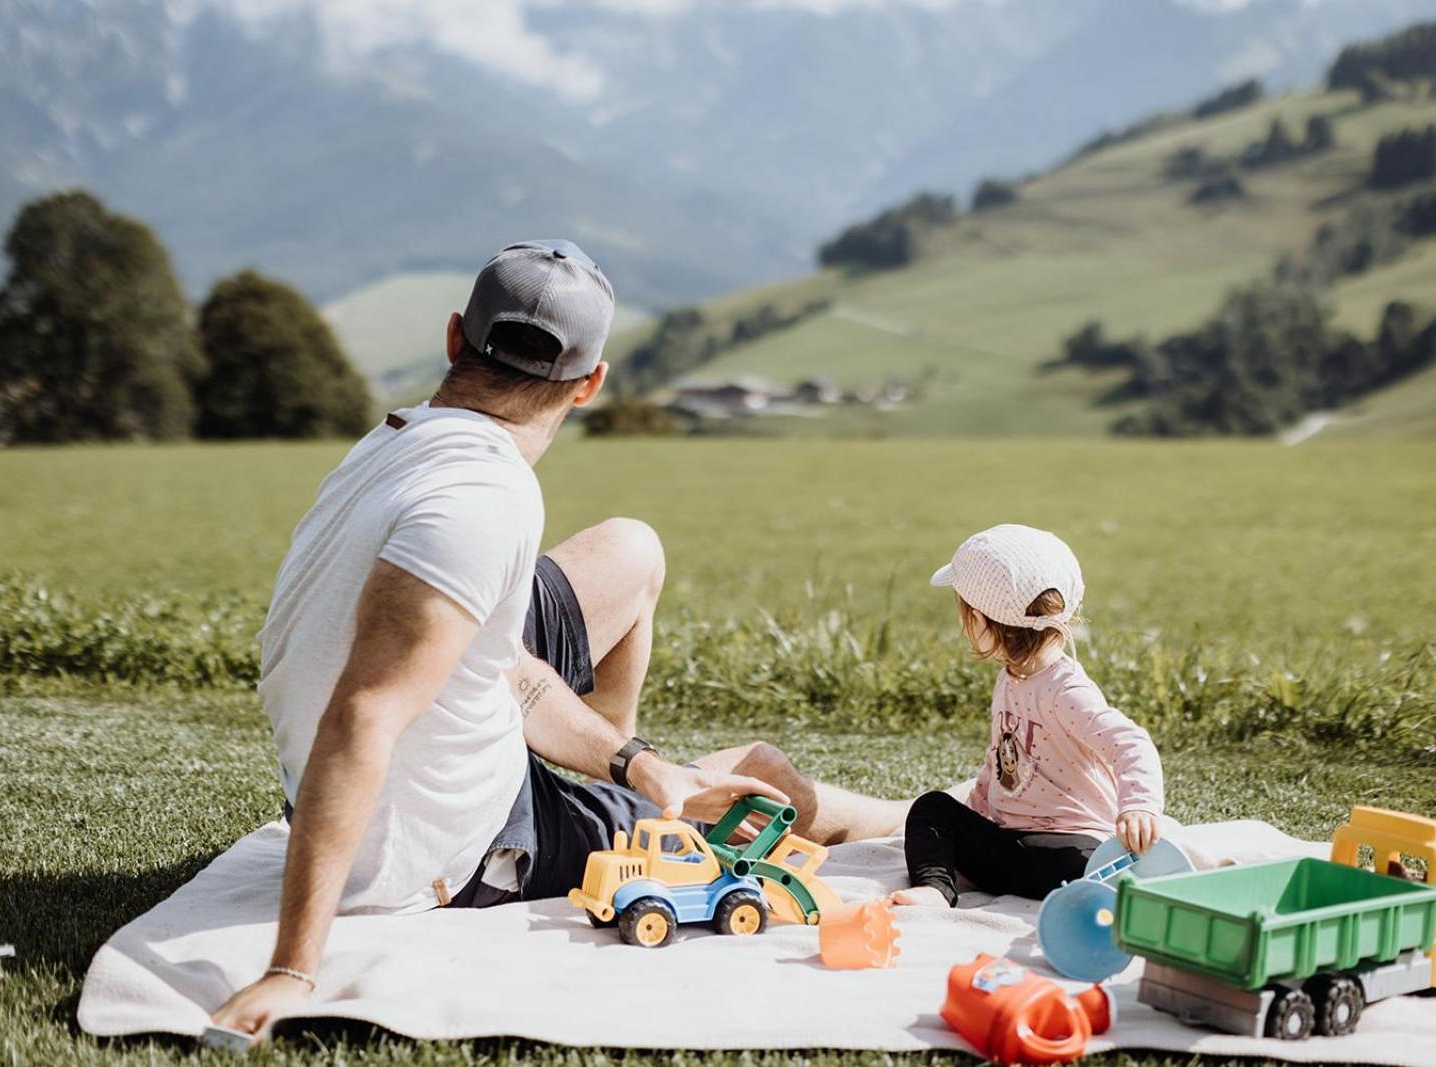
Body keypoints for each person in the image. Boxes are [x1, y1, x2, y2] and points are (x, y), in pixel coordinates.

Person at [212, 240, 907, 1038]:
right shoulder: (485, 500)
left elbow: (495, 663)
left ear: (452, 339)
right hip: (434, 843)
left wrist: (635, 759)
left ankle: (628, 782)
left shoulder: (400, 441)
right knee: (758, 774)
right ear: (590, 384)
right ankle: (900, 816)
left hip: (382, 764)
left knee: (630, 548)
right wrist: (292, 968)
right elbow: (364, 713)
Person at [891, 525, 1164, 908]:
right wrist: (979, 813)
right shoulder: (1011, 678)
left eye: (964, 613)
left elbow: (1130, 743)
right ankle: (935, 889)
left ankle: (1105, 890)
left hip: (1070, 850)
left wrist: (1138, 805)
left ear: (983, 621)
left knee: (1091, 870)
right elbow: (1001, 758)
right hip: (1011, 846)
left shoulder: (1065, 689)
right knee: (932, 808)